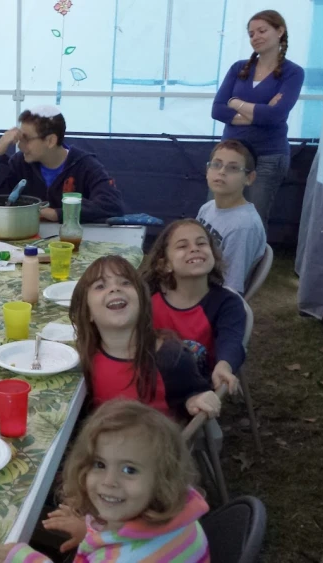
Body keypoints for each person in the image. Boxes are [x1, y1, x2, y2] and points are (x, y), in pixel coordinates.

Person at [0, 400, 210, 562]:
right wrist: (91, 534)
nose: (109, 481)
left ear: (162, 478)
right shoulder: (181, 510)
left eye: (129, 469)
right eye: (100, 464)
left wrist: (24, 558)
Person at [69, 255, 219, 419]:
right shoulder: (86, 355)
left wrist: (195, 399)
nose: (114, 289)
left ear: (142, 300)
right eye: (100, 286)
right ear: (87, 312)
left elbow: (196, 393)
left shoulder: (170, 357)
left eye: (125, 282)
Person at [211, 9, 304, 231]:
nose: (256, 37)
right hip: (230, 155)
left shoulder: (293, 72)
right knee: (216, 214)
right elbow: (217, 110)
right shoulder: (239, 68)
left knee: (253, 220)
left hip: (268, 156)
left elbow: (275, 115)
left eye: (262, 31)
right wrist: (259, 112)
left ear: (279, 31)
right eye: (251, 34)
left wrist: (235, 102)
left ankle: (251, 256)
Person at [141, 219, 248, 395]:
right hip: (147, 386)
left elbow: (232, 341)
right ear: (165, 264)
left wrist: (224, 365)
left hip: (196, 393)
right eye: (182, 246)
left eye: (201, 243)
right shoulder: (148, 298)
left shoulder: (227, 303)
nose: (194, 249)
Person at [0, 106, 124, 223]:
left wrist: (57, 214)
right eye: (19, 138)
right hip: (30, 239)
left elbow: (111, 205)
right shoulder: (20, 163)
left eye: (26, 139)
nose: (20, 145)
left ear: (50, 141)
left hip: (72, 240)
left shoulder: (85, 165)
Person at [197, 140, 266, 294]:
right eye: (216, 164)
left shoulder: (243, 227)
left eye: (233, 168)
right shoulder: (207, 208)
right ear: (207, 170)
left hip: (211, 296)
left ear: (249, 178)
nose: (222, 172)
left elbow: (231, 289)